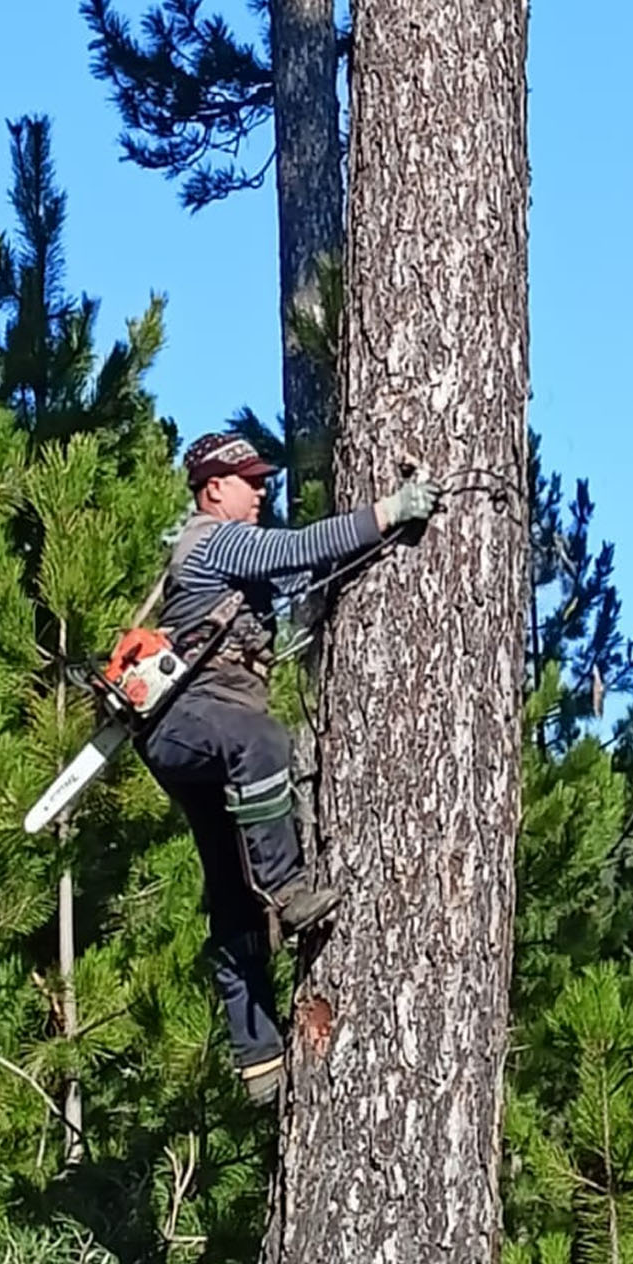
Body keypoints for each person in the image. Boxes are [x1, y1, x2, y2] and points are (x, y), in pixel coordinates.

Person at [142, 432, 441, 1104]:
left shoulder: (226, 556)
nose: (261, 492)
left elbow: (306, 569)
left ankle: (258, 1059)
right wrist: (390, 511)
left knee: (229, 889)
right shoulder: (214, 541)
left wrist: (367, 539)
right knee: (262, 741)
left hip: (191, 733)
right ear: (214, 488)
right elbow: (296, 548)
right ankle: (289, 887)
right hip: (189, 719)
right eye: (249, 482)